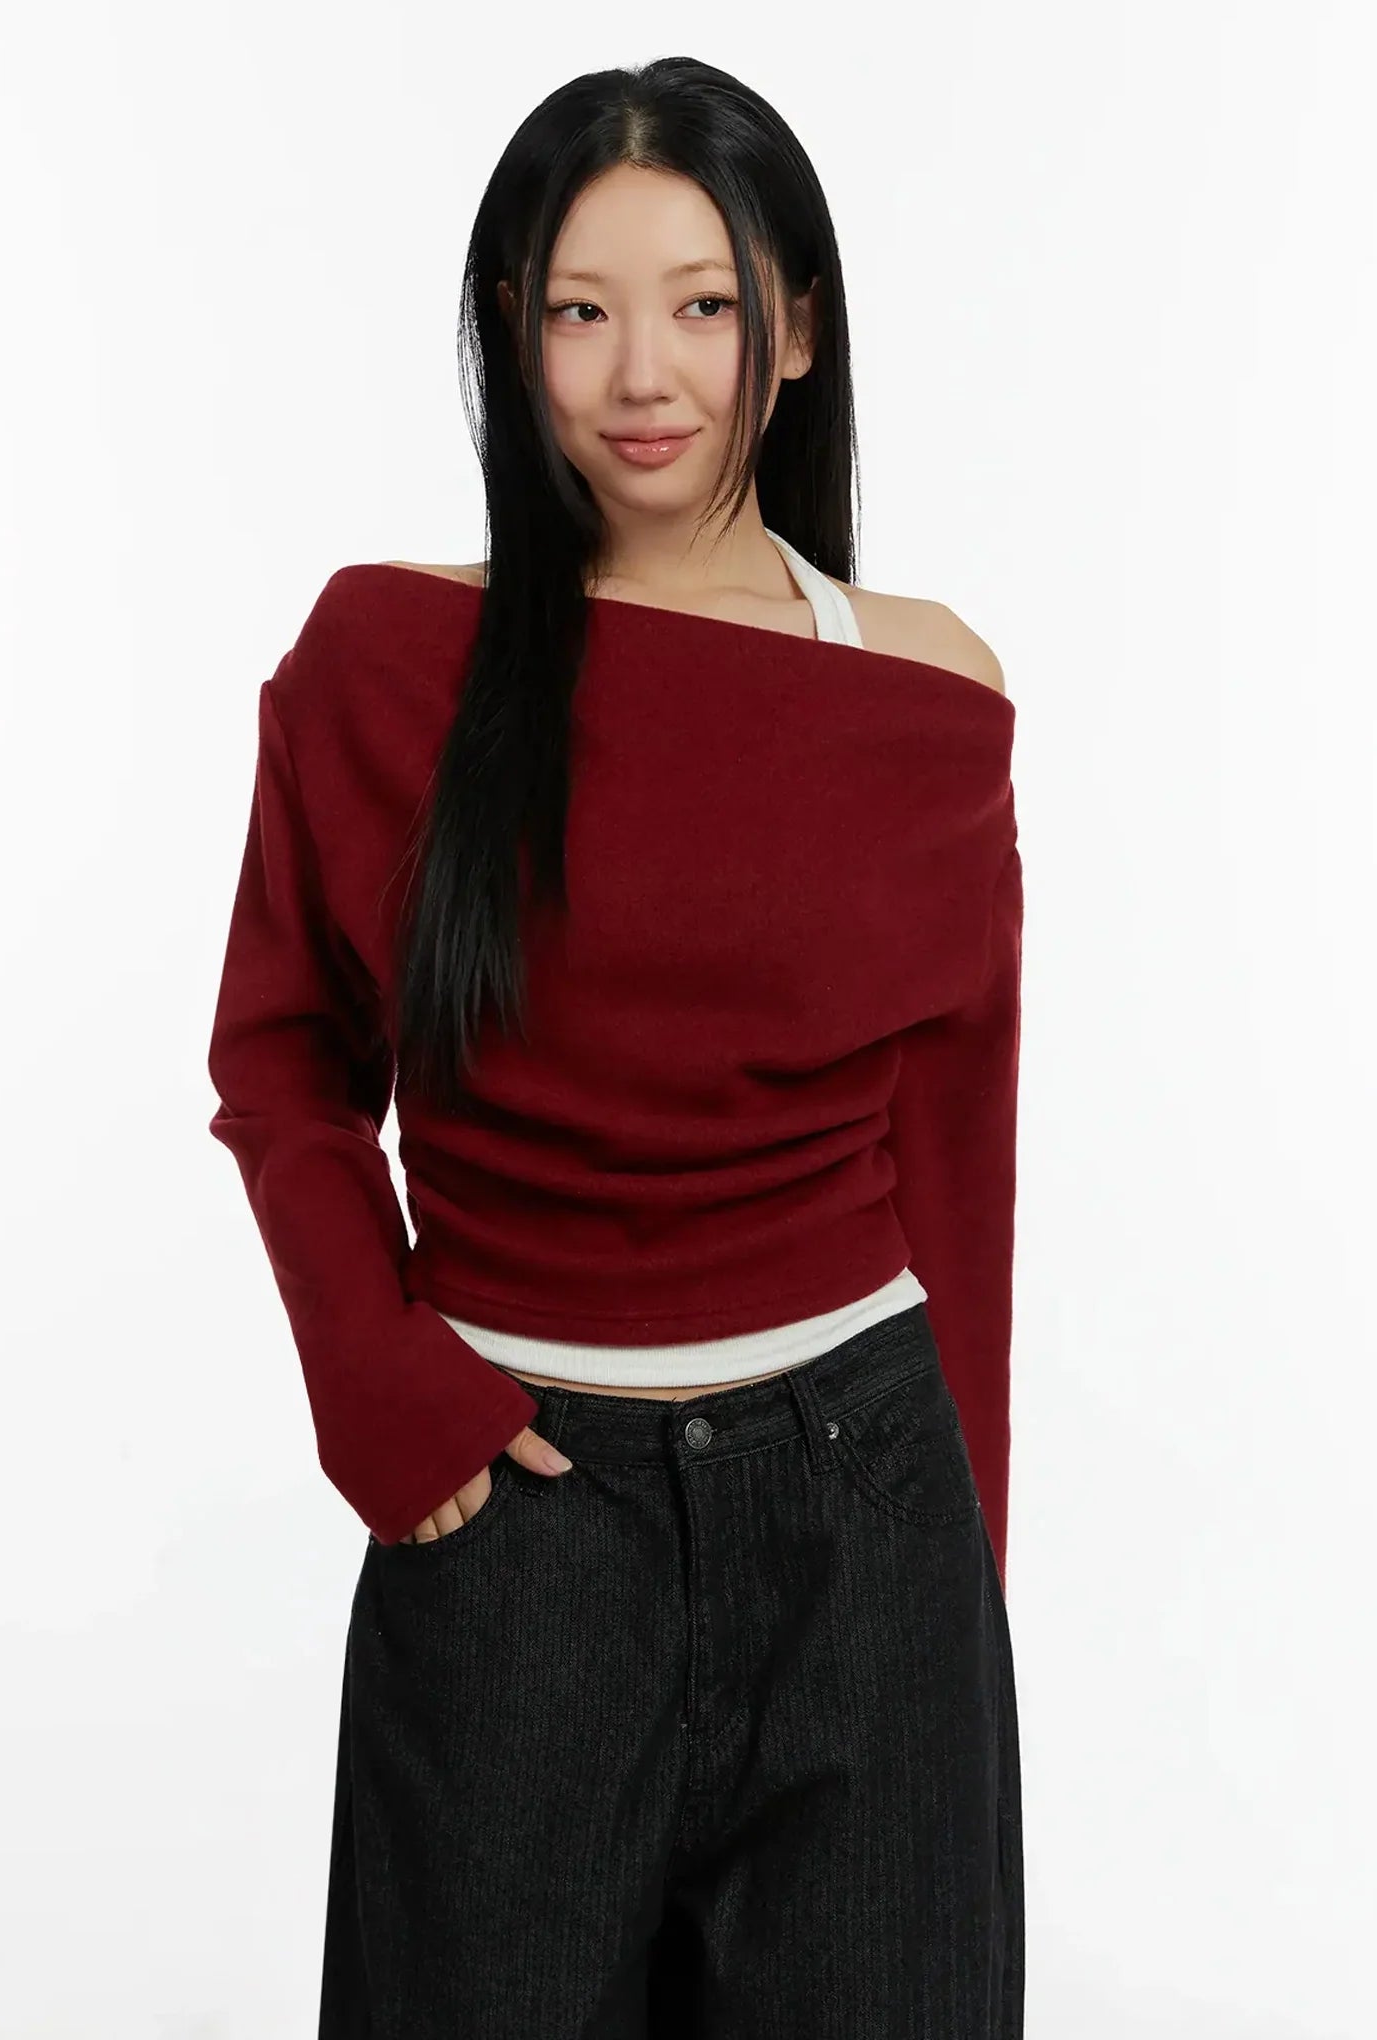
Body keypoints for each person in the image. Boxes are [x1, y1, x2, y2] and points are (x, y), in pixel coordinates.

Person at [206, 53, 1024, 2040]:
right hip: (517, 1515)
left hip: (866, 1520)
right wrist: (378, 1387)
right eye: (581, 310)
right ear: (513, 330)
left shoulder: (928, 689)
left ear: (798, 327)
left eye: (704, 303)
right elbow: (283, 1056)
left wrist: (966, 1586)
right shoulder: (383, 661)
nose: (642, 374)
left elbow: (958, 1151)